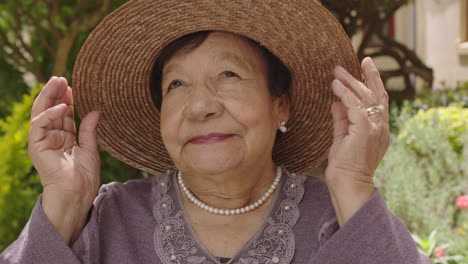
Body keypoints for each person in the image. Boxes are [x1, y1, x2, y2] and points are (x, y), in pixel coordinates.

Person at [1, 1, 433, 263]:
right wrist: (64, 204)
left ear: (279, 104)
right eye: (176, 85)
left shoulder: (338, 215)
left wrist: (355, 184)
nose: (201, 106)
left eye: (228, 74)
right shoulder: (108, 219)